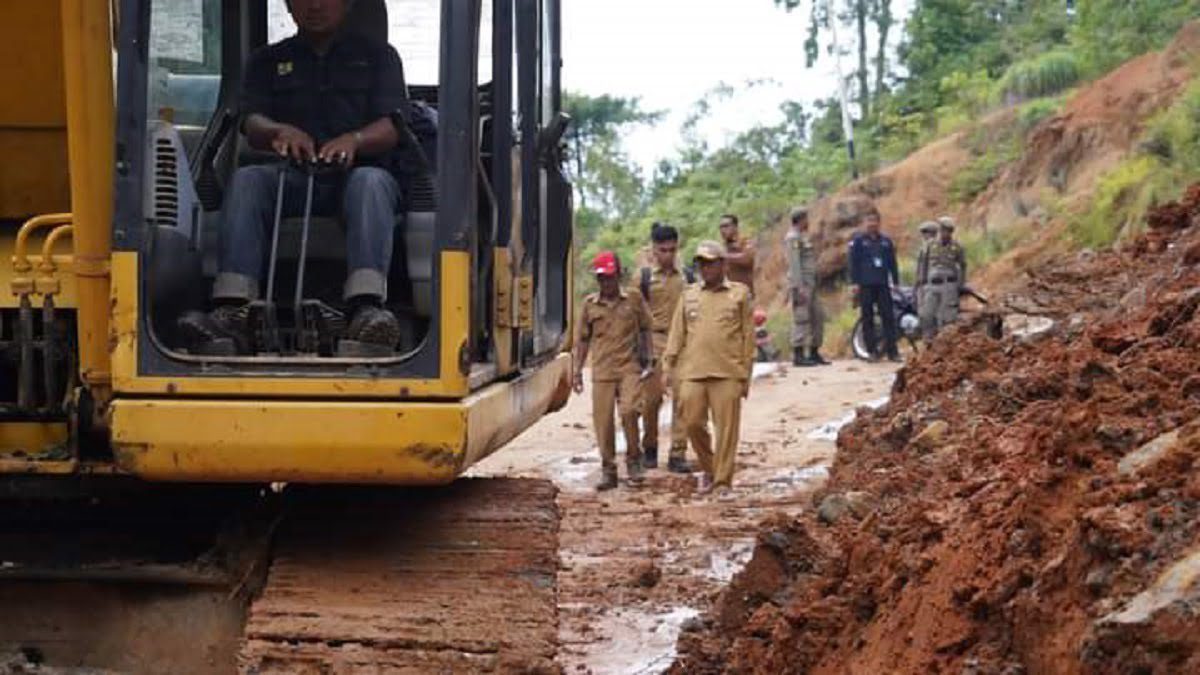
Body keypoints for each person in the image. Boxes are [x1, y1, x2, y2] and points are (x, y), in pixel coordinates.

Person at [180, 0, 409, 353]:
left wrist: (356, 140)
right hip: (293, 176)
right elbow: (251, 121)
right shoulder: (266, 61)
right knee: (248, 180)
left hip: (357, 177)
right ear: (287, 5)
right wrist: (278, 131)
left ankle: (367, 311)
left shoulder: (381, 57)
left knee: (371, 184)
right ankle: (232, 310)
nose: (315, 5)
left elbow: (393, 126)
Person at [664, 241, 755, 496]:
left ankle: (723, 482)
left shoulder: (739, 294)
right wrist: (668, 365)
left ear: (723, 264)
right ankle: (710, 468)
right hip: (693, 371)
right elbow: (677, 333)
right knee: (691, 423)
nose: (706, 269)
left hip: (727, 371)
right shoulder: (689, 295)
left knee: (726, 430)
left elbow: (748, 337)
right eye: (701, 264)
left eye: (710, 263)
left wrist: (745, 375)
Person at [573, 251, 654, 491]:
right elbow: (583, 340)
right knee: (603, 424)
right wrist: (577, 371)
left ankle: (634, 460)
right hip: (602, 371)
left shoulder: (634, 299)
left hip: (629, 367)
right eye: (602, 278)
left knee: (630, 411)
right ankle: (608, 470)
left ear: (618, 275)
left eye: (610, 277)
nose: (606, 283)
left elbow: (646, 329)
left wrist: (650, 360)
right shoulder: (589, 305)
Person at [636, 224, 694, 474]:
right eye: (662, 250)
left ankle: (678, 452)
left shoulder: (688, 277)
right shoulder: (644, 278)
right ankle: (649, 446)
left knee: (684, 398)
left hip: (682, 343)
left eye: (672, 249)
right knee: (652, 399)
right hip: (654, 342)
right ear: (653, 250)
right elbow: (634, 315)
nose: (668, 255)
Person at [848, 209, 901, 362]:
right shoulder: (858, 241)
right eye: (869, 221)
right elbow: (853, 264)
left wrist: (895, 282)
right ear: (865, 223)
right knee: (868, 318)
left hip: (883, 284)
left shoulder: (886, 241)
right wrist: (854, 283)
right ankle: (872, 351)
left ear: (879, 223)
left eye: (875, 221)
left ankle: (893, 352)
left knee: (888, 317)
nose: (872, 224)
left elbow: (893, 263)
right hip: (865, 285)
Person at [785, 207, 828, 367]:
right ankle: (798, 354)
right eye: (806, 219)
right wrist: (798, 286)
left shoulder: (803, 237)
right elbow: (794, 264)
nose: (808, 222)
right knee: (801, 318)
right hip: (801, 285)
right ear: (800, 219)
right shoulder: (793, 238)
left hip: (811, 284)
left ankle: (814, 351)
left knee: (818, 316)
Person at [917, 218, 967, 341]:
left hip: (949, 285)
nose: (947, 234)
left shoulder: (957, 246)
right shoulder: (930, 245)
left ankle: (946, 345)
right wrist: (922, 283)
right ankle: (928, 343)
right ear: (940, 230)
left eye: (950, 231)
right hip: (932, 285)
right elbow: (923, 264)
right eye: (944, 230)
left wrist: (960, 284)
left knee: (948, 318)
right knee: (926, 315)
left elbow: (963, 265)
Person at [718, 214, 756, 295]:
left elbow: (747, 259)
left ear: (735, 227)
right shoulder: (722, 247)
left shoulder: (745, 241)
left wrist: (724, 256)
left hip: (744, 292)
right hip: (728, 294)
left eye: (726, 226)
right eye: (721, 227)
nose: (723, 230)